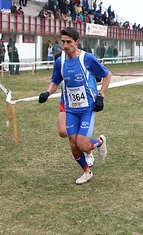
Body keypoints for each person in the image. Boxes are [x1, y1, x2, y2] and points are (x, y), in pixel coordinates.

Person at [39, 27, 112, 185]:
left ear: (77, 42)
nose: (65, 46)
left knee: (82, 144)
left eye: (69, 42)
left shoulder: (87, 58)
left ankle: (99, 141)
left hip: (87, 108)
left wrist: (101, 95)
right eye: (63, 42)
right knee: (73, 144)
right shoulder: (60, 61)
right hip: (71, 108)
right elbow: (55, 82)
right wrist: (47, 93)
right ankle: (87, 172)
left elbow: (107, 75)